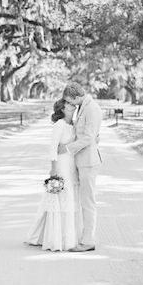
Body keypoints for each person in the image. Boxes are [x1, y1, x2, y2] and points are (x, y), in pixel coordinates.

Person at [26, 99, 81, 251]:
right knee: (59, 198)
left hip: (72, 164)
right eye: (69, 104)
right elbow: (52, 148)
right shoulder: (59, 125)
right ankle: (54, 239)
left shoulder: (74, 125)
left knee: (70, 201)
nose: (73, 105)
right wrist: (53, 169)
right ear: (63, 109)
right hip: (61, 166)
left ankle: (68, 236)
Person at [58, 82, 102, 252]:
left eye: (69, 100)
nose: (69, 104)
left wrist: (67, 148)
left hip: (89, 162)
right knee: (82, 201)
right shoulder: (83, 106)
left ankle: (88, 241)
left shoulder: (91, 108)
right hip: (81, 161)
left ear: (75, 96)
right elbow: (91, 135)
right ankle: (81, 237)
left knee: (88, 202)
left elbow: (88, 137)